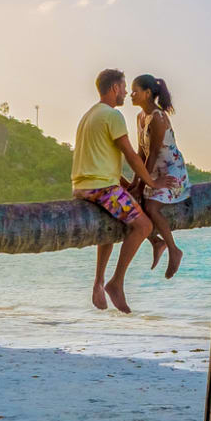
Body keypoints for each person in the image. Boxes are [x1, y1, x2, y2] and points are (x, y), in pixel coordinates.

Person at [71, 68, 172, 313]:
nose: (126, 92)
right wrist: (152, 183)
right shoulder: (112, 115)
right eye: (124, 87)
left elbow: (98, 160)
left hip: (83, 186)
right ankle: (116, 283)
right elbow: (132, 156)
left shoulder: (89, 115)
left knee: (110, 228)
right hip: (101, 188)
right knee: (144, 225)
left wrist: (129, 184)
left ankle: (98, 283)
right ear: (115, 88)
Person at [129, 74, 190, 279]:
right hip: (153, 170)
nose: (131, 94)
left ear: (147, 93)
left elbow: (154, 153)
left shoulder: (158, 117)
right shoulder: (140, 117)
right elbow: (141, 152)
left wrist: (144, 184)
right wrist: (135, 182)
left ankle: (174, 250)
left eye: (135, 91)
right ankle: (156, 242)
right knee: (132, 201)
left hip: (172, 170)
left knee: (151, 208)